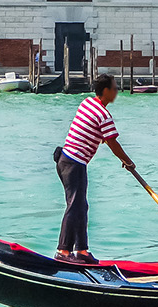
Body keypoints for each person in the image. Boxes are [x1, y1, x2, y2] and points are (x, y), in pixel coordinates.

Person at [54, 74, 135, 265]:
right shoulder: (103, 115)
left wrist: (123, 158)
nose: (117, 92)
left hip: (66, 160)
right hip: (74, 163)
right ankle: (63, 251)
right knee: (75, 206)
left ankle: (81, 250)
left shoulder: (87, 103)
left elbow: (103, 137)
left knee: (81, 206)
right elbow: (112, 142)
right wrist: (128, 161)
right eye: (115, 88)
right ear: (105, 91)